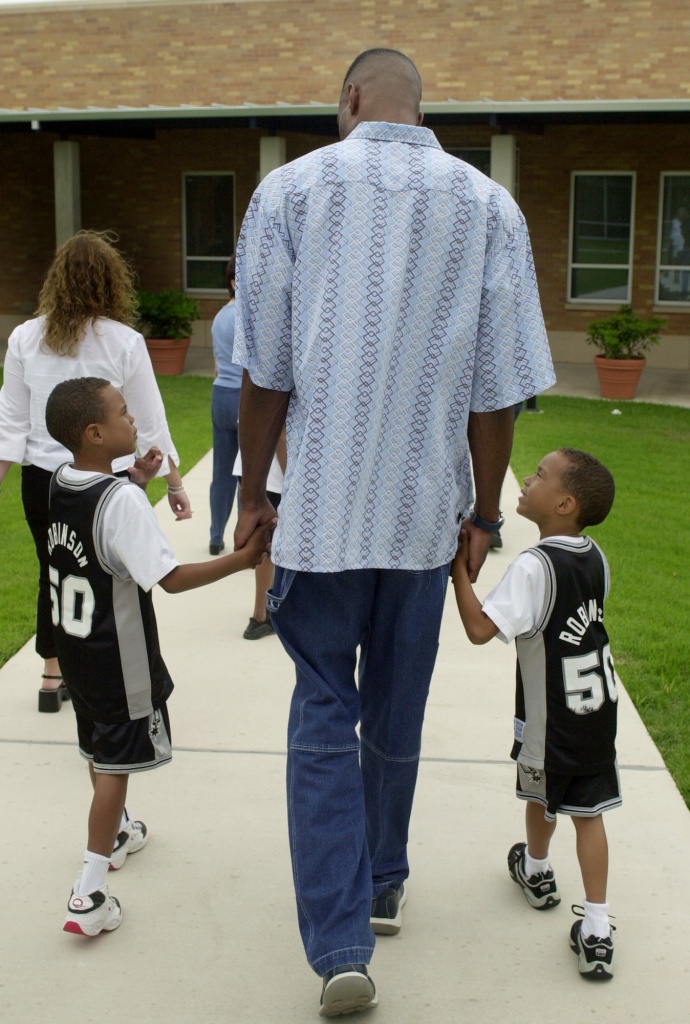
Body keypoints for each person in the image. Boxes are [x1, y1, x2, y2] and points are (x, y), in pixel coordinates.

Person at [232, 47, 555, 1016]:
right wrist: (486, 513)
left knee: (325, 713)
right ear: (422, 108)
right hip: (423, 524)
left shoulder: (288, 193)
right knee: (396, 715)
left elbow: (265, 369)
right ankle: (382, 885)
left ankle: (338, 944)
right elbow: (499, 395)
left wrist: (254, 491)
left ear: (349, 101)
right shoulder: (489, 206)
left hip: (323, 520)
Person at [44, 376, 271, 936]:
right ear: (96, 433)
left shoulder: (62, 482)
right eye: (123, 414)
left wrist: (137, 478)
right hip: (119, 661)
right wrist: (242, 563)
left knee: (97, 747)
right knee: (118, 764)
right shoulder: (118, 501)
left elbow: (102, 533)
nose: (133, 421)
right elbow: (168, 579)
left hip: (76, 653)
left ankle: (117, 831)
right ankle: (89, 891)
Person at [0, 230, 192, 713]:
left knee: (55, 571)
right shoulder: (125, 341)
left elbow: (11, 423)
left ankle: (51, 675)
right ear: (112, 283)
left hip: (44, 482)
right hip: (110, 484)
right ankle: (106, 677)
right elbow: (148, 419)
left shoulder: (25, 336)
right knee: (114, 582)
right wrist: (173, 483)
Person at [452, 448, 619, 981]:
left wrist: (458, 573)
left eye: (540, 476)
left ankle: (538, 870)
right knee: (589, 815)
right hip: (595, 717)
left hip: (551, 723)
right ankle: (596, 926)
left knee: (541, 795)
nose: (527, 479)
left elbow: (480, 629)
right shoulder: (596, 558)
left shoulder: (534, 566)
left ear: (565, 503)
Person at [232, 429, 286, 639]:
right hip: (274, 476)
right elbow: (280, 433)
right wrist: (295, 481)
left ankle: (261, 615)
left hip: (253, 470)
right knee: (268, 546)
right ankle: (260, 615)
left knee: (266, 545)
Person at [209, 255, 243, 556]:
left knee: (222, 472)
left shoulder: (219, 317)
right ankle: (244, 540)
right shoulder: (246, 317)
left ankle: (216, 536)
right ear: (234, 282)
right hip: (243, 398)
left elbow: (217, 366)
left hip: (219, 396)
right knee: (249, 473)